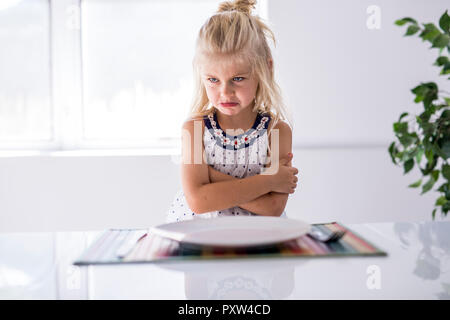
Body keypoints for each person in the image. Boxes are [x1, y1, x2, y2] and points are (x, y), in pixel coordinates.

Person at [166, 0, 298, 223]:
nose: (225, 93)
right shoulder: (194, 129)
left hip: (257, 237)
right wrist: (268, 181)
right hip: (201, 236)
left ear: (265, 69)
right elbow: (199, 201)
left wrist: (211, 178)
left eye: (237, 79)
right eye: (213, 80)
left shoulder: (277, 131)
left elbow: (273, 207)